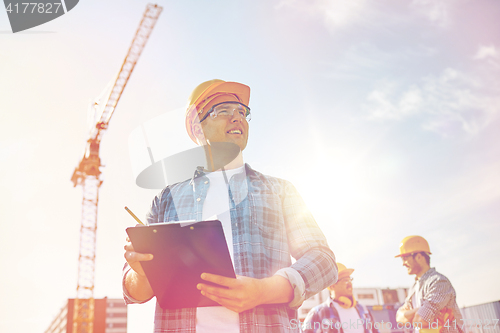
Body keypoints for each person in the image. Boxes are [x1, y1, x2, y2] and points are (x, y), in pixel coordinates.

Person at [122, 79, 337, 332]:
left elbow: (323, 260)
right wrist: (142, 272)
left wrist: (264, 291)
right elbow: (134, 291)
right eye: (223, 110)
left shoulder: (280, 191)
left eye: (241, 112)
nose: (237, 118)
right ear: (197, 128)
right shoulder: (166, 199)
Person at [395, 235, 463, 333]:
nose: (403, 263)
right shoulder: (414, 288)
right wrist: (419, 310)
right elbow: (400, 318)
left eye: (405, 258)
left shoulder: (439, 282)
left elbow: (420, 320)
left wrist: (413, 314)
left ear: (419, 256)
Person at [302, 263, 380, 333]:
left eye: (350, 279)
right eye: (345, 280)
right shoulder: (318, 313)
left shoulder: (363, 310)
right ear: (332, 286)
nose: (349, 283)